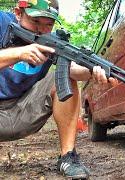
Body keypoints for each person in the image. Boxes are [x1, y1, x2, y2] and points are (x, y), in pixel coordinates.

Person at [0, 0, 118, 179]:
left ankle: (67, 157)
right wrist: (18, 53)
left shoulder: (52, 43)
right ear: (18, 13)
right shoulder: (2, 23)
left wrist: (93, 71)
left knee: (63, 77)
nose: (41, 29)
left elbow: (72, 70)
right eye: (35, 21)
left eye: (48, 24)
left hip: (19, 114)